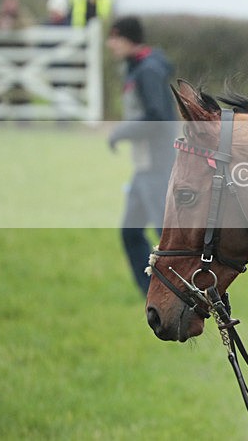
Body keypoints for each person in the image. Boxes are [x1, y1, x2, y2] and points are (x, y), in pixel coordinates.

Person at [106, 16, 177, 295]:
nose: (110, 44)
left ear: (127, 39)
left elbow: (156, 117)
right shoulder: (138, 67)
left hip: (157, 166)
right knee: (131, 232)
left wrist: (120, 133)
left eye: (114, 37)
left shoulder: (147, 71)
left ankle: (178, 292)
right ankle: (152, 292)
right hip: (145, 167)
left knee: (167, 237)